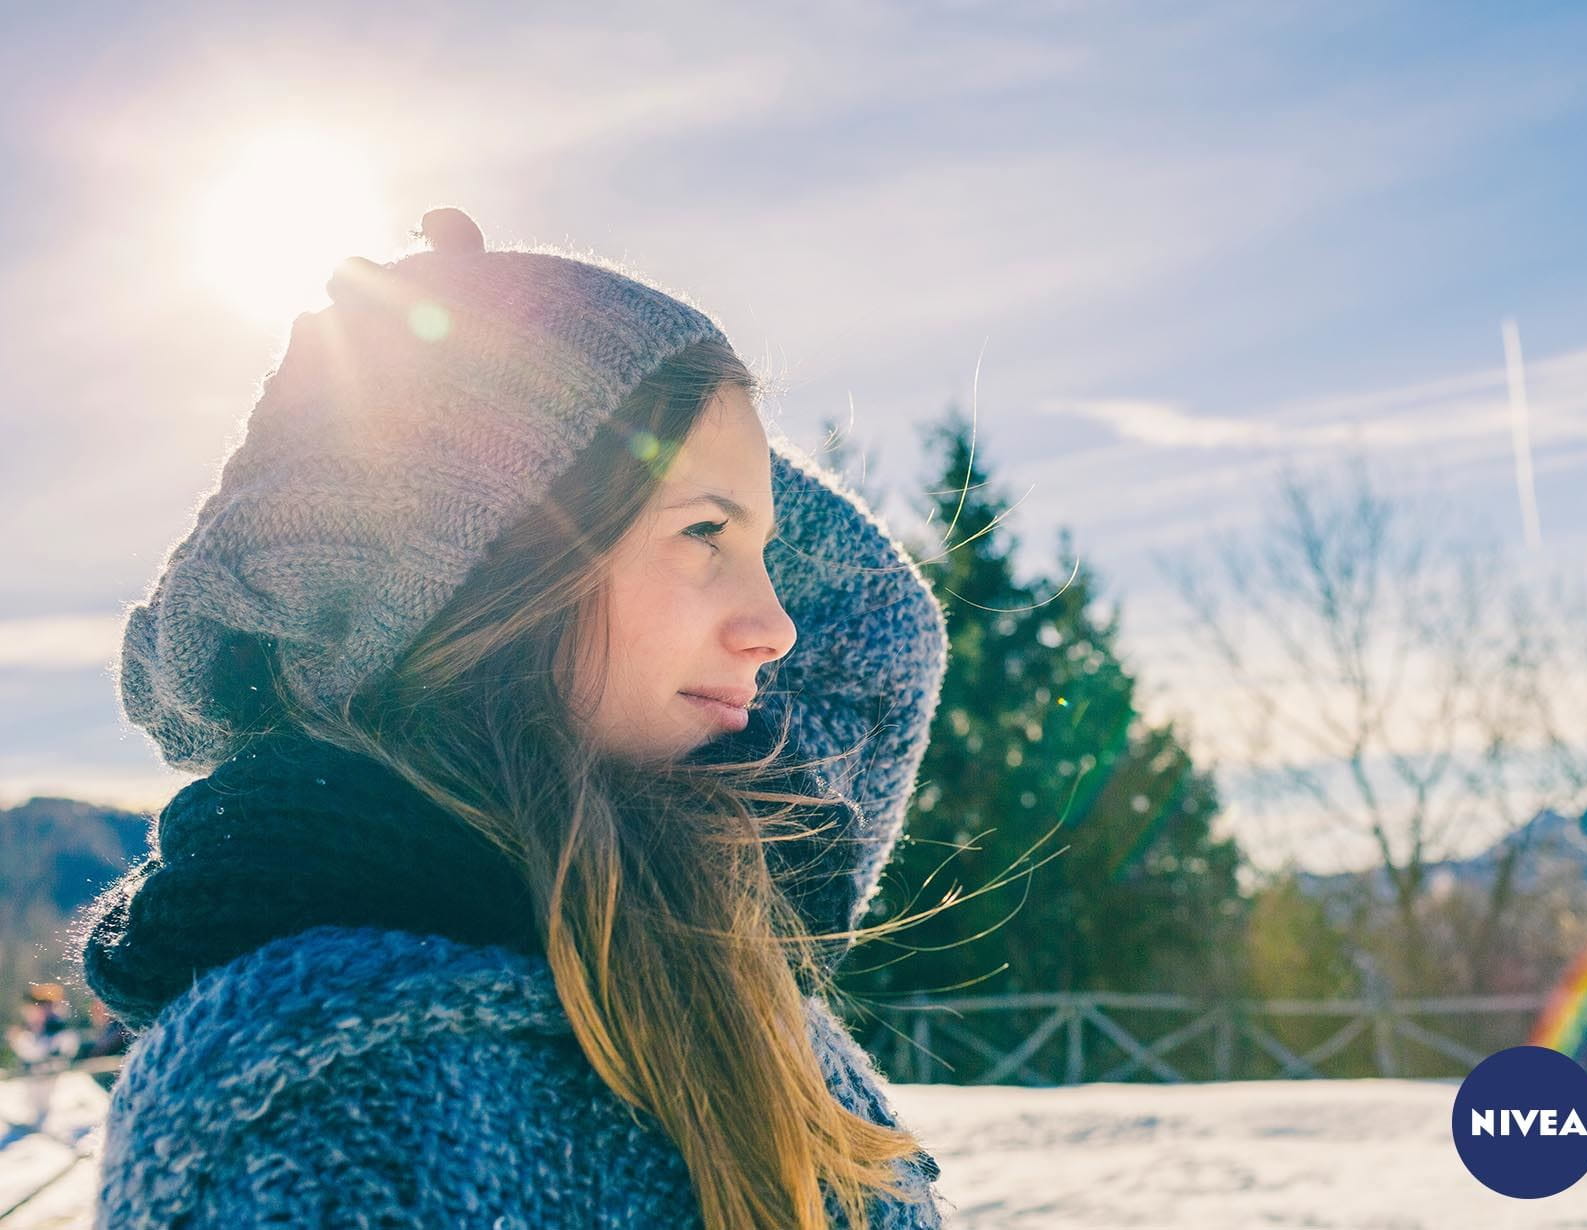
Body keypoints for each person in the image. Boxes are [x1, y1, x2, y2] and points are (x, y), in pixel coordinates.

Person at [76, 207, 953, 1228]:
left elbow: (878, 634)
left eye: (759, 545)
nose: (775, 628)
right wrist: (472, 411)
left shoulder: (705, 950)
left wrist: (498, 377)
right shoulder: (313, 1095)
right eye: (706, 533)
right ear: (495, 566)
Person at [3, 984, 81, 1147]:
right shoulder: (30, 1031)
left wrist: (20, 1041)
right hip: (31, 1090)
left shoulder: (60, 1030)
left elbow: (46, 1054)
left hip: (55, 1090)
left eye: (40, 1006)